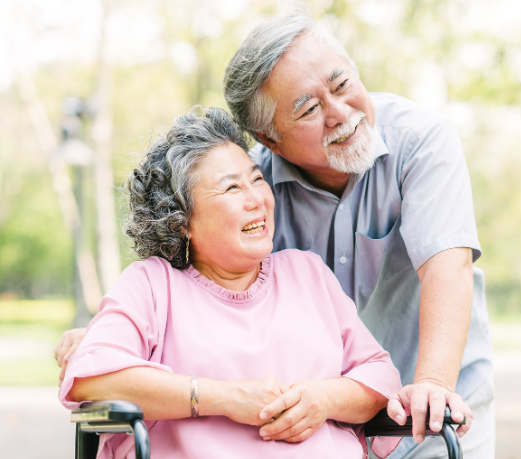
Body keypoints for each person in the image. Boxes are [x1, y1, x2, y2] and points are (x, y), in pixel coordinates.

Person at [56, 5, 494, 458]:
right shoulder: (254, 183)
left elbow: (448, 268)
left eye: (343, 84)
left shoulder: (420, 142)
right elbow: (183, 269)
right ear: (270, 139)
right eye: (308, 108)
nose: (340, 112)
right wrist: (106, 333)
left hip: (430, 396)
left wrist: (427, 384)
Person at [58, 107, 403, 459]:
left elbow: (380, 376)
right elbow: (92, 378)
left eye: (256, 180)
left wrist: (324, 399)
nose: (256, 199)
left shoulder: (308, 273)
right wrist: (225, 398)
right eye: (232, 188)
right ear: (182, 221)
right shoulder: (152, 285)